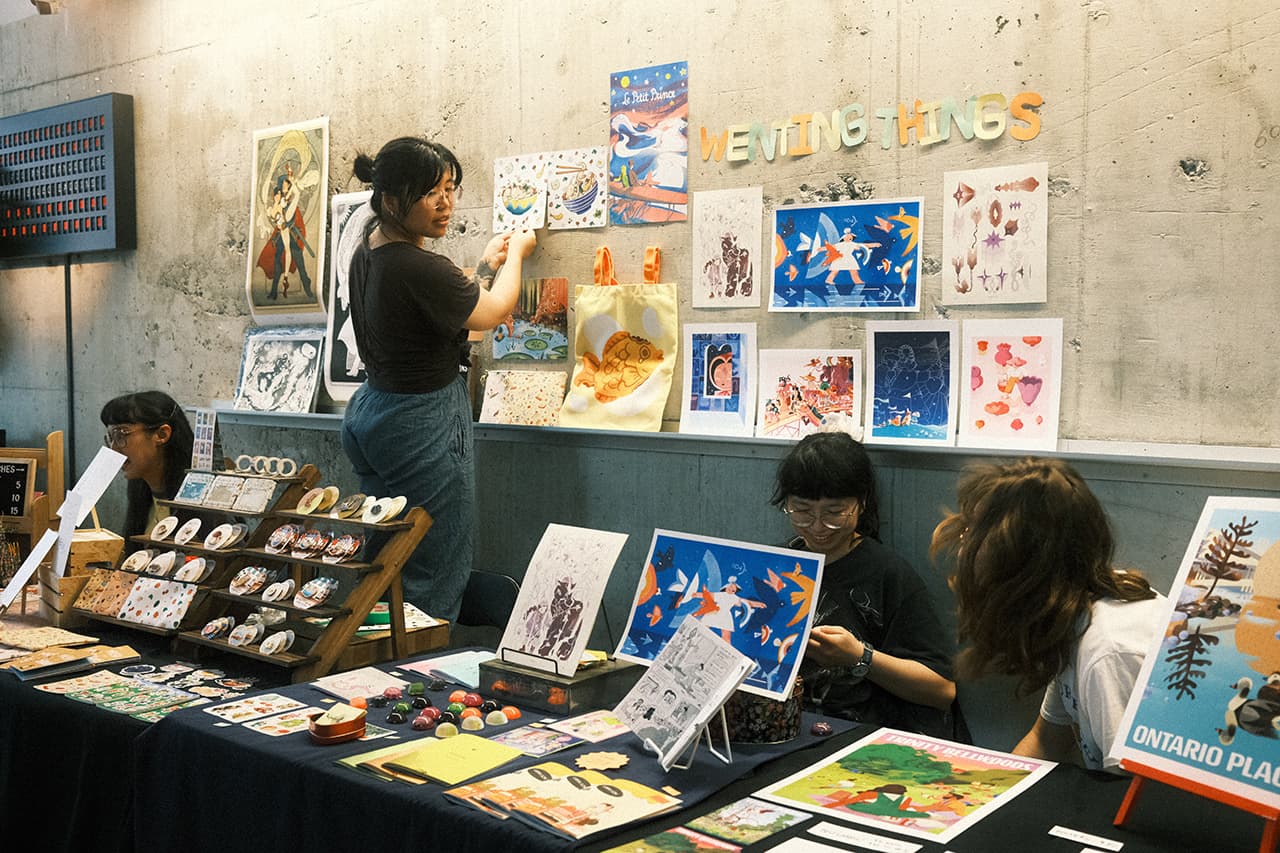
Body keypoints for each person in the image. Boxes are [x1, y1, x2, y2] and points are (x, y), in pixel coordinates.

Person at [341, 135, 536, 623]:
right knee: (435, 569)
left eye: (450, 189)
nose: (445, 203)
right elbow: (492, 312)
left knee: (388, 557)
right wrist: (517, 255)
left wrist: (485, 266)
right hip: (420, 420)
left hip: (373, 412)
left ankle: (377, 657)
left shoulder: (369, 247)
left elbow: (445, 310)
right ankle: (419, 667)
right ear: (392, 200)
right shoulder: (418, 265)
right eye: (430, 193)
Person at [930, 457, 1166, 773]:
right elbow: (1046, 739)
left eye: (974, 535)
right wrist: (986, 791)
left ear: (1020, 561)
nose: (962, 550)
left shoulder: (1109, 652)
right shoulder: (1076, 611)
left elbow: (1143, 792)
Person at [772, 432, 959, 737]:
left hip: (859, 738)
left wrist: (860, 656)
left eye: (834, 513)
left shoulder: (887, 573)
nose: (818, 527)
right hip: (782, 730)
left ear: (861, 503)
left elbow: (941, 690)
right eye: (802, 511)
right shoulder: (775, 567)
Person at [100, 390, 194, 538]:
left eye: (121, 435)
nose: (114, 449)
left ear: (162, 434)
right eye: (111, 438)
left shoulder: (197, 497)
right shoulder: (140, 492)